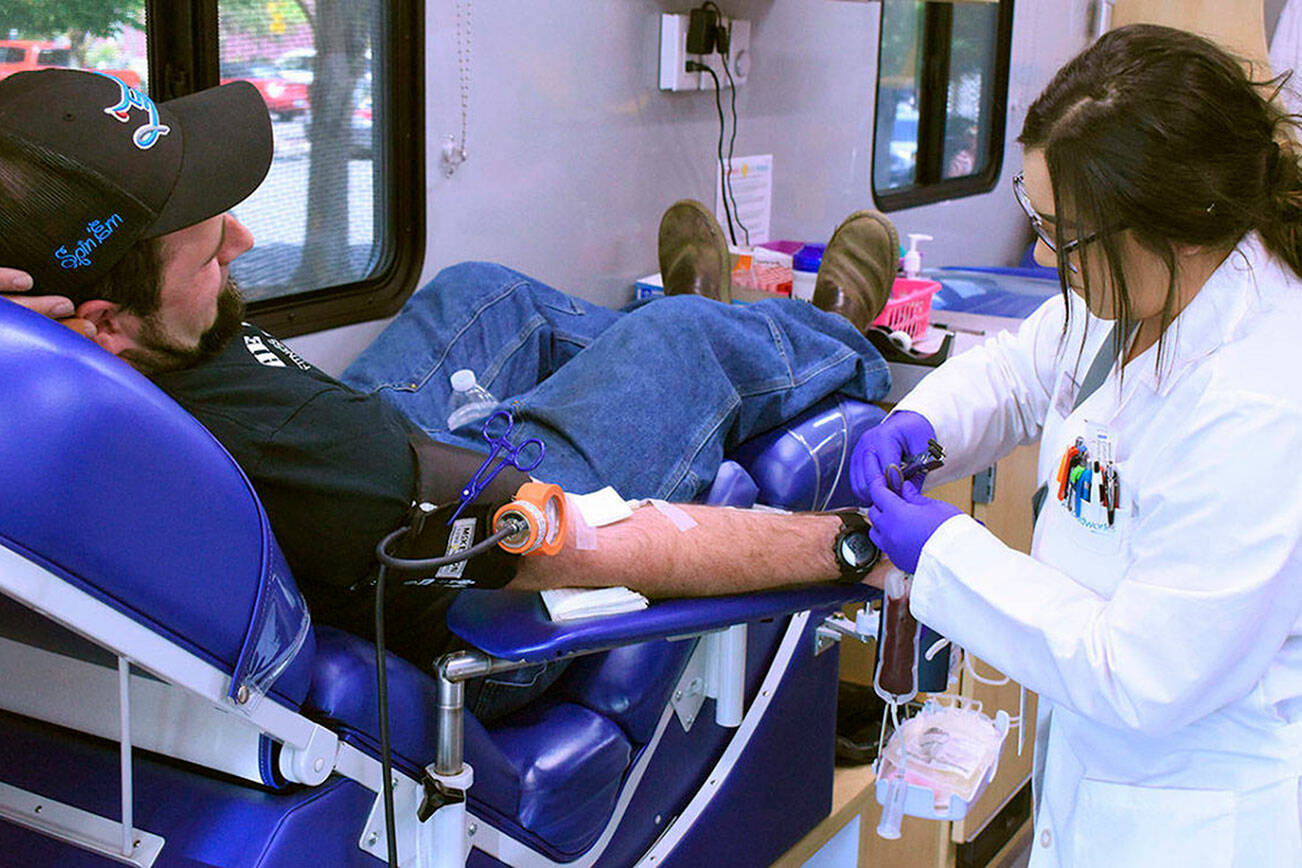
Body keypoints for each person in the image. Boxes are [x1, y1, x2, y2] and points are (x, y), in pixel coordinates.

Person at [0, 68, 899, 718]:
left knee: (484, 292)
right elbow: (582, 545)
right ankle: (846, 338)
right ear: (102, 325)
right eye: (205, 252)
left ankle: (744, 328)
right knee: (680, 338)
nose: (239, 240)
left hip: (361, 448)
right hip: (467, 602)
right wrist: (861, 543)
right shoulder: (290, 458)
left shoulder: (96, 337)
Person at [851, 25, 1302, 866]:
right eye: (1039, 219)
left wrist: (946, 550)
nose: (1039, 252)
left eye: (1064, 232)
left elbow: (1137, 671)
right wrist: (925, 425)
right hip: (1104, 782)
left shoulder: (1262, 402)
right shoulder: (1144, 289)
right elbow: (1023, 372)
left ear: (1171, 221)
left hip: (1198, 818)